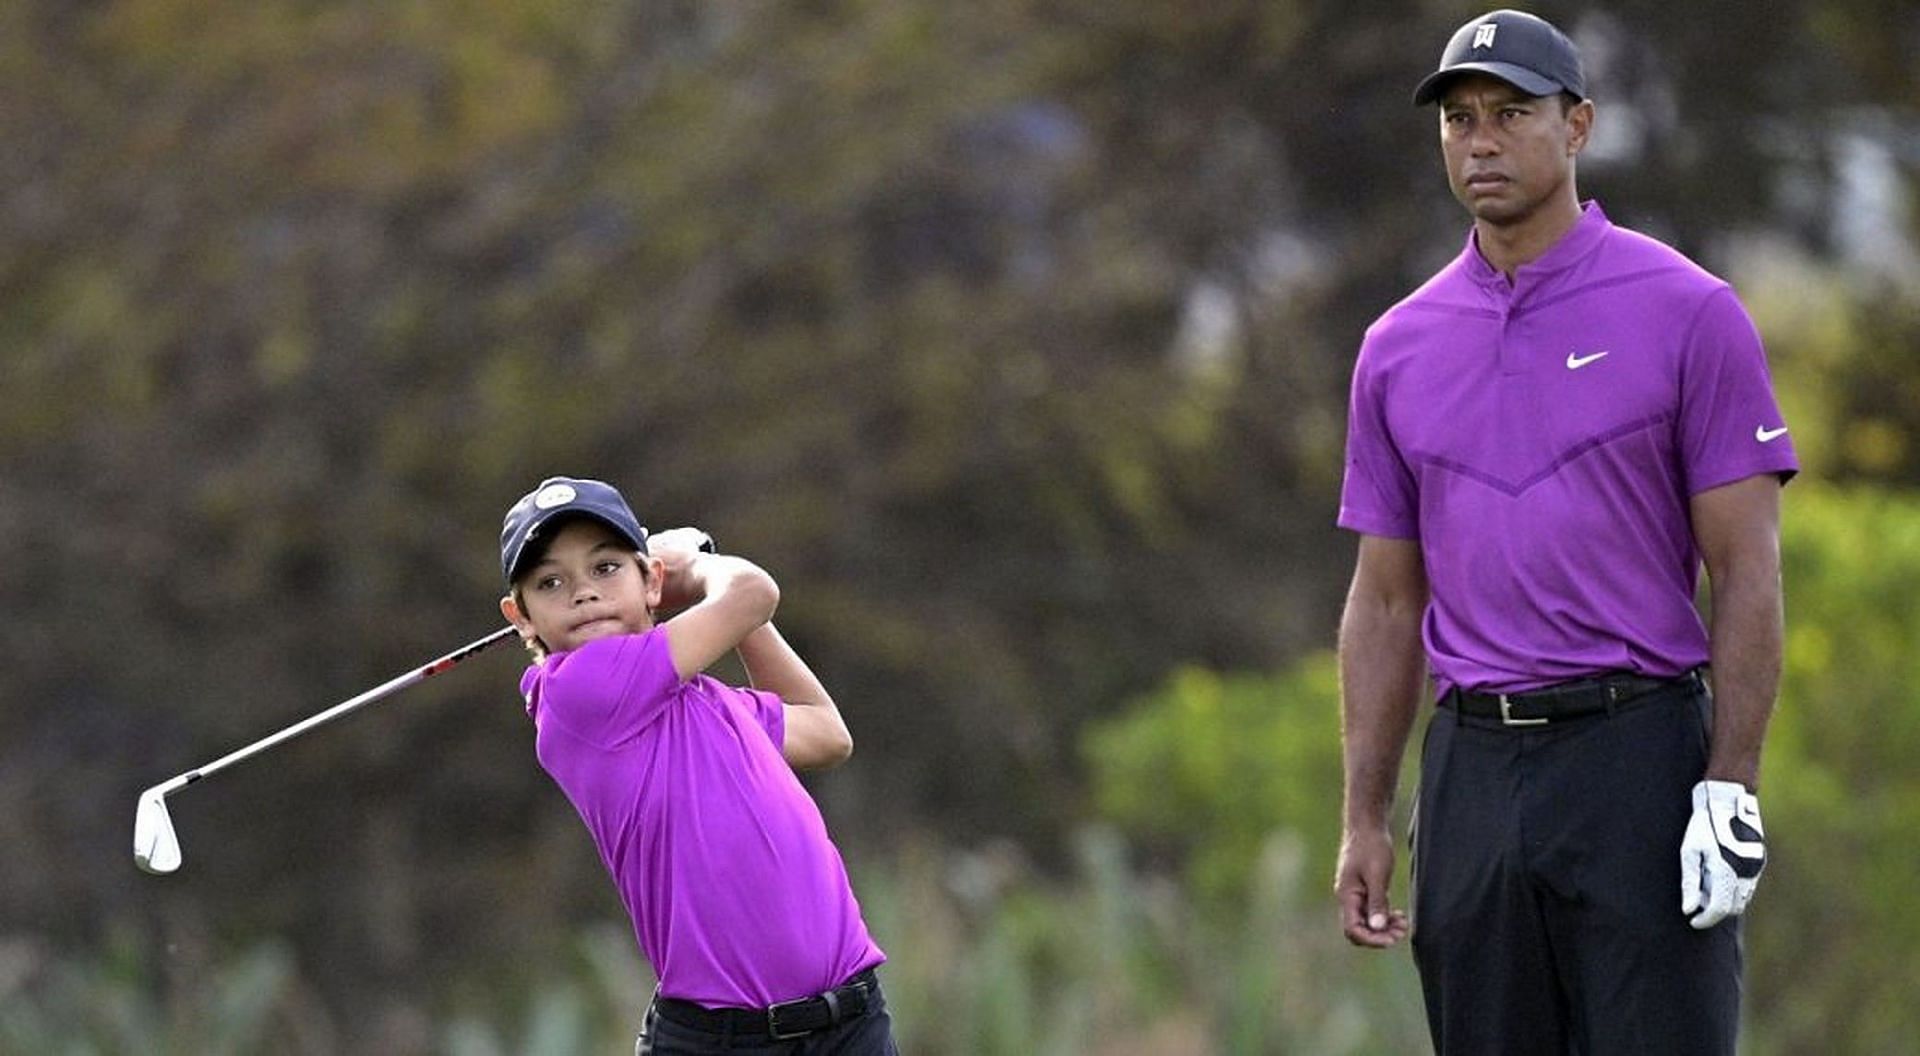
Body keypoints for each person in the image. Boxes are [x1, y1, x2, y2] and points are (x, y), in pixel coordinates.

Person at [1332, 10, 1795, 1054]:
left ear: (1578, 125)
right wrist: (1365, 815)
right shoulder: (1397, 346)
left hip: (1637, 757)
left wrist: (1731, 786)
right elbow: (1387, 597)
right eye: (1459, 120)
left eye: (1511, 114)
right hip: (1473, 774)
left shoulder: (1689, 310)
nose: (1480, 141)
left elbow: (1746, 569)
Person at [497, 475, 899, 1055]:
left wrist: (704, 590)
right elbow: (753, 591)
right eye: (551, 582)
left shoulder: (710, 706)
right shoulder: (576, 695)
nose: (582, 593)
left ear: (649, 580)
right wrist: (698, 566)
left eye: (605, 567)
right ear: (522, 616)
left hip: (852, 1022)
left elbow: (825, 732)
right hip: (727, 1042)